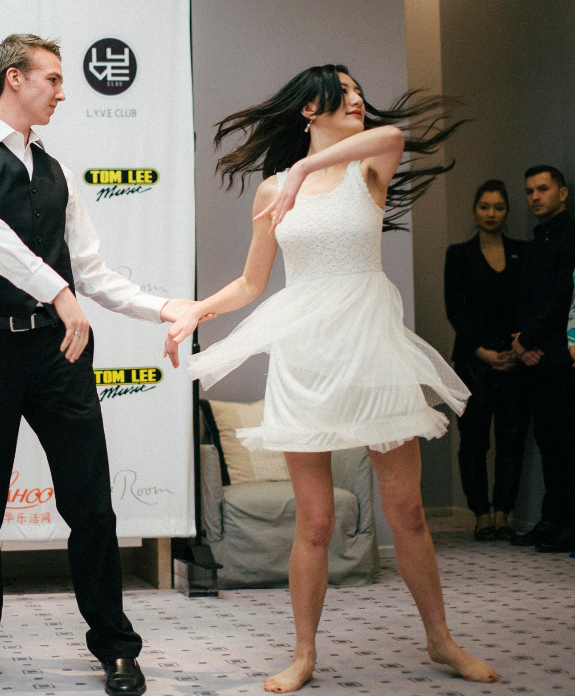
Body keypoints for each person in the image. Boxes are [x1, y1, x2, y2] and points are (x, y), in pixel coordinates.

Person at [162, 65, 497, 693]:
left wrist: (308, 169)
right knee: (314, 521)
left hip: (372, 351)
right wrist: (194, 312)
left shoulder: (370, 167)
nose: (356, 99)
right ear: (308, 110)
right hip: (307, 357)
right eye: (341, 94)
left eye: (357, 91)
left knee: (408, 512)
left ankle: (441, 640)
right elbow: (252, 283)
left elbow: (393, 135)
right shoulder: (272, 191)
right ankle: (303, 653)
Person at [0, 33, 194, 696]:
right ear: (14, 79)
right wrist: (59, 293)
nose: (61, 91)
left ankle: (116, 648)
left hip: (58, 352)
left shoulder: (58, 171)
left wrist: (162, 307)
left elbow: (92, 272)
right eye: (51, 78)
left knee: (91, 505)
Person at [443, 180, 528, 541]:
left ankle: (503, 513)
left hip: (515, 358)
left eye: (498, 207)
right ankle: (480, 514)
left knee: (512, 439)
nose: (491, 214)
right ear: (475, 211)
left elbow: (529, 304)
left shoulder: (523, 252)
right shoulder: (458, 254)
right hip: (473, 361)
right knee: (474, 441)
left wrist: (518, 348)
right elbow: (455, 310)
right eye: (485, 207)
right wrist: (482, 352)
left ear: (506, 212)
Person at [509, 165, 575, 552]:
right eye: (530, 191)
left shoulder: (570, 235)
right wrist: (520, 343)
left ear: (562, 193)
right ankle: (550, 520)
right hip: (534, 357)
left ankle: (568, 524)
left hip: (561, 355)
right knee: (548, 443)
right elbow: (526, 298)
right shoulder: (536, 240)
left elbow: (562, 297)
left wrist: (528, 339)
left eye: (543, 189)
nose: (535, 197)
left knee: (566, 442)